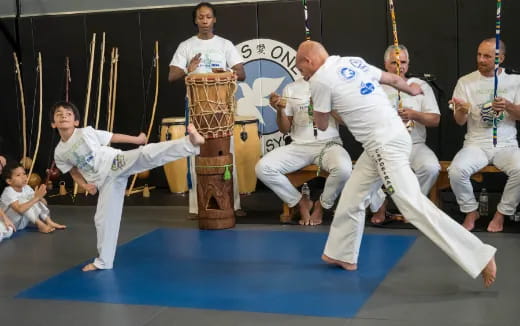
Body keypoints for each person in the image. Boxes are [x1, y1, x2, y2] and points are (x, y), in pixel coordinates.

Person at [296, 40, 496, 287]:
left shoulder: (320, 81)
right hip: (385, 140)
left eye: (300, 68)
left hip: (384, 145)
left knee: (412, 205)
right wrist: (411, 90)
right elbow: (392, 80)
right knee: (352, 197)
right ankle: (342, 255)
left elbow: (323, 124)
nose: (301, 74)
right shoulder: (351, 61)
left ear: (309, 61)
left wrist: (319, 105)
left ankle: (480, 255)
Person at [51, 101, 204, 271]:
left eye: (68, 114)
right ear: (53, 123)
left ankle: (191, 143)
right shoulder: (59, 153)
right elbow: (74, 172)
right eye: (59, 114)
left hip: (115, 163)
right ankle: (104, 262)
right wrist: (85, 186)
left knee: (145, 154)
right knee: (102, 219)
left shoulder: (86, 132)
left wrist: (137, 140)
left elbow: (113, 137)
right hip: (105, 181)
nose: (64, 116)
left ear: (76, 122)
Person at [256, 78, 385, 225]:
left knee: (343, 169)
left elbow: (346, 121)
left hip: (329, 144)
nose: (304, 68)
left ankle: (322, 205)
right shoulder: (291, 88)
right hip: (299, 145)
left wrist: (325, 106)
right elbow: (284, 129)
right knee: (263, 168)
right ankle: (300, 201)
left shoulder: (333, 85)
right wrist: (280, 110)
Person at [168, 2, 246, 217]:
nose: (204, 21)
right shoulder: (186, 46)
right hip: (197, 108)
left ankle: (233, 204)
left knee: (226, 154)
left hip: (221, 108)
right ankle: (197, 206)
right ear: (195, 20)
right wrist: (188, 69)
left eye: (208, 17)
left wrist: (225, 72)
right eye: (201, 17)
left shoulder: (225, 45)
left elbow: (241, 72)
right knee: (197, 153)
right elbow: (172, 76)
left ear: (214, 20)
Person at [449, 38, 520, 233]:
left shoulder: (515, 81)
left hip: (506, 145)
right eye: (479, 55)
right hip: (476, 144)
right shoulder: (465, 82)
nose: (481, 59)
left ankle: (501, 215)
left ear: (501, 58)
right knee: (456, 171)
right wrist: (462, 110)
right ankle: (471, 212)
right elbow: (459, 121)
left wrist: (508, 106)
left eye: (487, 56)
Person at [371, 44, 441, 224]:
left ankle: (410, 208)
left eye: (403, 62)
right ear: (386, 64)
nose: (399, 66)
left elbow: (435, 119)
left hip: (414, 144)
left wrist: (414, 114)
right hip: (385, 144)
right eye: (394, 62)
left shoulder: (420, 85)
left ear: (408, 64)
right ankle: (380, 206)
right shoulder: (375, 86)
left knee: (431, 167)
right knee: (364, 172)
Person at [1, 162, 65, 234]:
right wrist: (36, 197)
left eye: (24, 173)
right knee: (26, 200)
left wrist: (40, 197)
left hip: (22, 224)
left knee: (33, 198)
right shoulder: (8, 191)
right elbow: (19, 209)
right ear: (9, 181)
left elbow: (45, 203)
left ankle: (49, 222)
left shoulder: (27, 188)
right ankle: (40, 225)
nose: (23, 177)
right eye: (18, 175)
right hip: (8, 222)